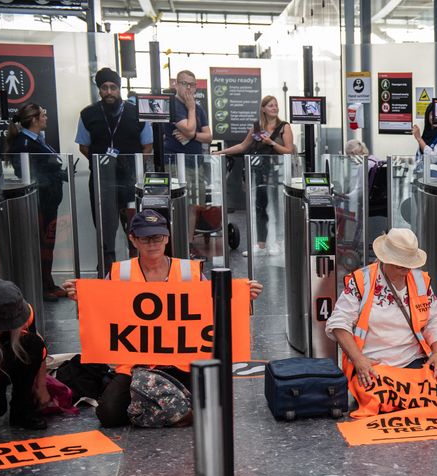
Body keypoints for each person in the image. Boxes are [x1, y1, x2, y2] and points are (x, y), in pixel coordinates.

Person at [62, 210, 263, 426]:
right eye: (145, 238)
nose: (152, 244)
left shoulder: (188, 271)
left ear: (166, 238)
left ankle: (155, 404)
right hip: (136, 364)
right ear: (133, 239)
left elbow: (211, 305)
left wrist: (240, 297)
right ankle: (168, 408)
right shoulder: (121, 272)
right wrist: (82, 299)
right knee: (108, 415)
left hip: (183, 362)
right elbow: (103, 309)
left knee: (212, 409)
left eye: (157, 237)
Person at [326, 228, 437, 389]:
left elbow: (434, 319)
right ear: (385, 259)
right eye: (401, 265)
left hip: (413, 361)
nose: (406, 269)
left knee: (429, 399)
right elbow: (338, 323)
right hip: (372, 364)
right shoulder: (362, 281)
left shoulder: (420, 282)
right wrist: (358, 359)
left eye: (409, 264)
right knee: (382, 403)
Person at [75, 67, 154, 273]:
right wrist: (104, 166)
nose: (109, 92)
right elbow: (84, 147)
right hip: (103, 183)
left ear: (119, 89)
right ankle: (107, 272)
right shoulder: (88, 114)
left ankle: (138, 270)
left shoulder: (136, 113)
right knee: (105, 230)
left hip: (131, 181)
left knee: (136, 226)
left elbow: (147, 146)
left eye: (113, 87)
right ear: (99, 90)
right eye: (104, 88)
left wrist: (133, 166)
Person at [214, 95, 294, 257]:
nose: (274, 108)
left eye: (276, 105)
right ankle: (261, 244)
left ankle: (278, 242)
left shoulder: (284, 126)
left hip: (277, 175)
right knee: (260, 207)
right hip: (259, 174)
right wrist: (221, 152)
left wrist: (271, 143)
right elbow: (243, 146)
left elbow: (288, 150)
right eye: (270, 105)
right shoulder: (257, 128)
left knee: (277, 208)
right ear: (263, 108)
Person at [5, 103, 67, 301]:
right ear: (33, 119)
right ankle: (41, 286)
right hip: (40, 202)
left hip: (50, 201)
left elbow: (47, 166)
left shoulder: (37, 140)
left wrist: (59, 174)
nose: (46, 118)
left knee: (47, 243)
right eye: (43, 115)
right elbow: (25, 173)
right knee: (41, 244)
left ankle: (47, 282)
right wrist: (51, 176)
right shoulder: (24, 144)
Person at [0, 280, 48, 434]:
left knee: (33, 344)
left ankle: (22, 410)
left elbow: (40, 347)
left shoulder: (26, 312)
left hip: (10, 350)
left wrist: (42, 386)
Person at [166, 70, 212, 251]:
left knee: (193, 204)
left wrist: (191, 136)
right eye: (184, 83)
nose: (188, 88)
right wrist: (191, 109)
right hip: (174, 162)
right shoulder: (173, 105)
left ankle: (189, 243)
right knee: (176, 204)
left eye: (192, 85)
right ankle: (174, 244)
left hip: (194, 162)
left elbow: (207, 136)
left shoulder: (199, 108)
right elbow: (191, 128)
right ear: (176, 84)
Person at [412, 102, 437, 178]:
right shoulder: (427, 133)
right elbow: (421, 154)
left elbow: (433, 158)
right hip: (425, 179)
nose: (434, 117)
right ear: (428, 116)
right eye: (432, 114)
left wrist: (419, 138)